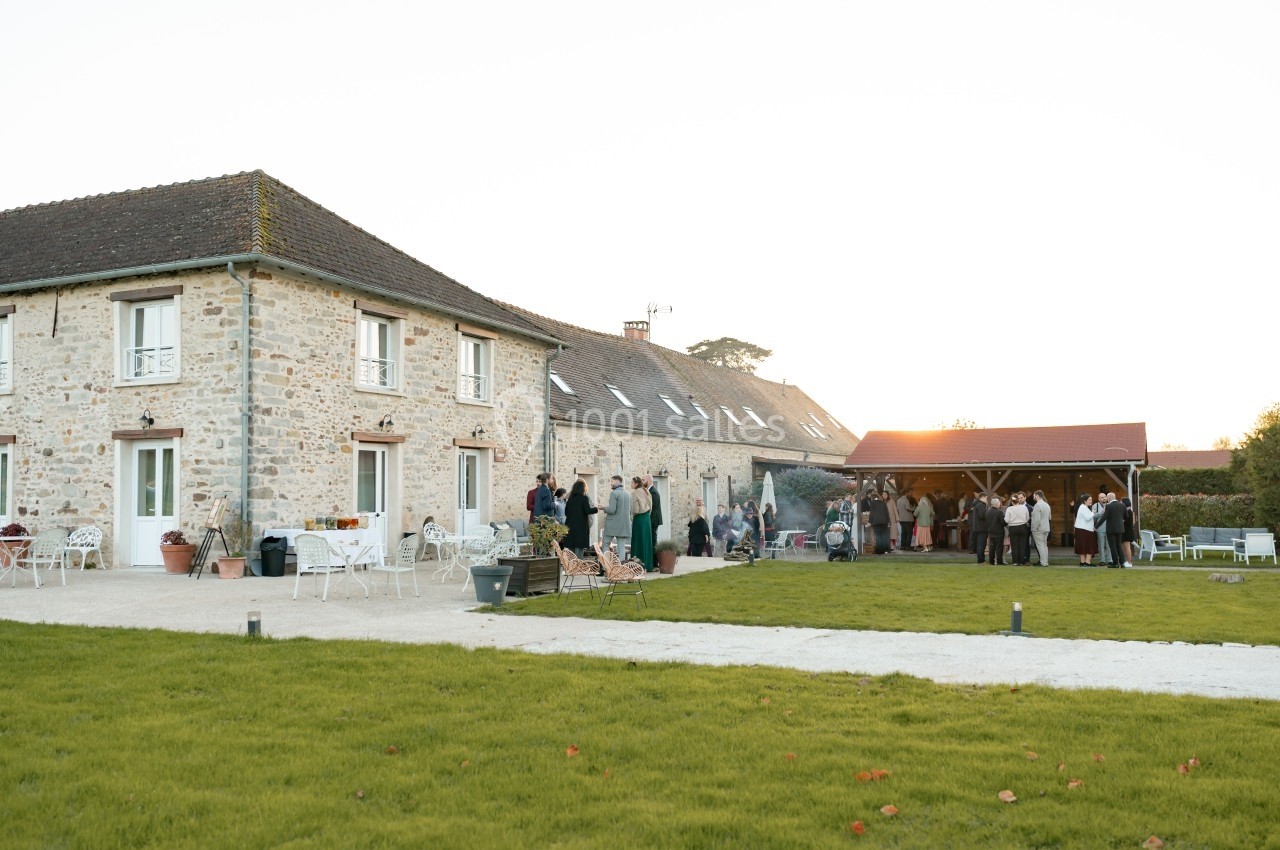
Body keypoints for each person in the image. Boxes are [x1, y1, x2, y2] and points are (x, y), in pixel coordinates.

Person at [599, 476, 632, 560]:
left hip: (612, 525)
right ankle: (620, 568)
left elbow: (612, 510)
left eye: (612, 481)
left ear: (618, 481)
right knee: (621, 547)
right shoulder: (628, 494)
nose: (611, 483)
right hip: (624, 524)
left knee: (605, 544)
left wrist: (603, 508)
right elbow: (630, 511)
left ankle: (606, 566)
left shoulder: (614, 493)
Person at [563, 480, 598, 557]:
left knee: (571, 552)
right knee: (579, 552)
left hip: (570, 526)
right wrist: (596, 508)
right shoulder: (584, 498)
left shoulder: (570, 499)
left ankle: (571, 567)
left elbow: (566, 513)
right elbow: (587, 510)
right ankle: (578, 568)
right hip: (581, 528)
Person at [1097, 491, 1128, 568]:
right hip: (1120, 528)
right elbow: (1126, 516)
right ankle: (1122, 563)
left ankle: (1115, 563)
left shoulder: (1109, 506)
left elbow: (1104, 517)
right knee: (1119, 546)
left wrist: (1096, 526)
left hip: (1111, 529)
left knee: (1112, 546)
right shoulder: (1122, 505)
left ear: (1108, 498)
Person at [630, 476, 654, 571]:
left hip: (639, 518)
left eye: (632, 483)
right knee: (646, 540)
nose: (631, 484)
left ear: (636, 484)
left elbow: (635, 509)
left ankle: (637, 565)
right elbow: (651, 506)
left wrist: (633, 514)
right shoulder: (647, 491)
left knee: (638, 541)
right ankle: (647, 564)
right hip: (647, 517)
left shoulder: (635, 493)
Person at [1004, 492, 1031, 565]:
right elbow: (1027, 518)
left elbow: (1006, 520)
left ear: (1012, 501)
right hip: (1023, 527)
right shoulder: (1024, 507)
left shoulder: (1009, 509)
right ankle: (1021, 561)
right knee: (1022, 545)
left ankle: (1015, 561)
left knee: (1014, 545)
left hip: (1013, 528)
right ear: (1018, 500)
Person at [1074, 494, 1099, 566]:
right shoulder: (1083, 507)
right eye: (1089, 500)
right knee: (1089, 546)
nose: (1091, 501)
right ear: (1085, 501)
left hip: (1084, 529)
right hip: (1085, 530)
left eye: (1091, 500)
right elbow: (1087, 518)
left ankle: (1083, 562)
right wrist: (1093, 513)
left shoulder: (1084, 507)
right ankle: (1087, 562)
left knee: (1084, 546)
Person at [1030, 490, 1052, 567]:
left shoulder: (1037, 505)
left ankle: (1043, 562)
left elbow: (1037, 519)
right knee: (1044, 545)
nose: (1033, 497)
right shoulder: (1047, 505)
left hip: (1039, 528)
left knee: (1040, 546)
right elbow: (1049, 517)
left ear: (1037, 496)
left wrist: (1034, 528)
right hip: (1046, 527)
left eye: (1034, 495)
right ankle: (1045, 561)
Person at [644, 474, 663, 557]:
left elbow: (653, 509)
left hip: (653, 521)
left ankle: (655, 562)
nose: (642, 482)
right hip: (651, 520)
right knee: (650, 541)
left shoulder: (653, 492)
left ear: (648, 481)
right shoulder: (648, 491)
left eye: (643, 480)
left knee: (653, 541)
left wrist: (649, 521)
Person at [985, 496, 1007, 565]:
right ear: (997, 504)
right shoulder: (999, 512)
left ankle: (991, 561)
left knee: (992, 547)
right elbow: (1003, 522)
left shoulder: (987, 512)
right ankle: (999, 561)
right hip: (999, 532)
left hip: (991, 532)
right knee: (999, 547)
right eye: (999, 503)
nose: (1000, 504)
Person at [969, 493, 989, 563]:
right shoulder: (981, 505)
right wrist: (987, 512)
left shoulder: (977, 504)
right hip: (982, 527)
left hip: (977, 527)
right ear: (983, 497)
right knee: (981, 544)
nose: (987, 500)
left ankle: (980, 559)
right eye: (986, 498)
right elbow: (982, 516)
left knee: (979, 544)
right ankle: (981, 560)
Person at [1093, 492, 1111, 566]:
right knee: (1101, 546)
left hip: (1109, 528)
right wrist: (1101, 513)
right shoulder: (1095, 506)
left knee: (1109, 546)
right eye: (1102, 497)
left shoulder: (1109, 505)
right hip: (1100, 528)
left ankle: (1110, 560)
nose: (1104, 498)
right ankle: (1102, 560)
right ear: (1098, 499)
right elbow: (1093, 516)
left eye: (1105, 497)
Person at [1121, 497, 1137, 566]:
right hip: (1126, 531)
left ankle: (1129, 562)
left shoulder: (1128, 512)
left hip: (1127, 532)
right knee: (1125, 548)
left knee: (1127, 547)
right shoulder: (1127, 511)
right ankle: (1127, 561)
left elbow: (1125, 522)